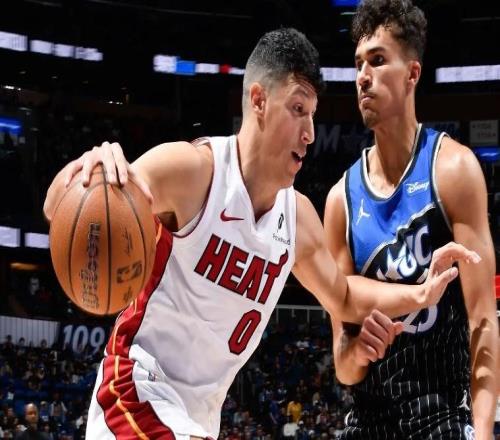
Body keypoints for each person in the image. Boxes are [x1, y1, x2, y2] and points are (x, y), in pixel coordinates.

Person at [43, 28, 477, 440]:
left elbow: (344, 295)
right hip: (135, 393)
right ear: (259, 101)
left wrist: (420, 294)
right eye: (298, 109)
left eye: (313, 115)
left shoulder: (298, 218)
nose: (310, 133)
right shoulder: (193, 172)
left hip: (195, 419)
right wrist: (92, 170)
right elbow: (58, 208)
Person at [323, 1, 499, 439]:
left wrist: (482, 431)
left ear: (412, 74)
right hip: (368, 421)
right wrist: (358, 351)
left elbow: (482, 319)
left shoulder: (454, 170)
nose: (363, 76)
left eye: (378, 60)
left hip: (442, 416)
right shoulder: (340, 201)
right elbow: (343, 366)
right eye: (359, 64)